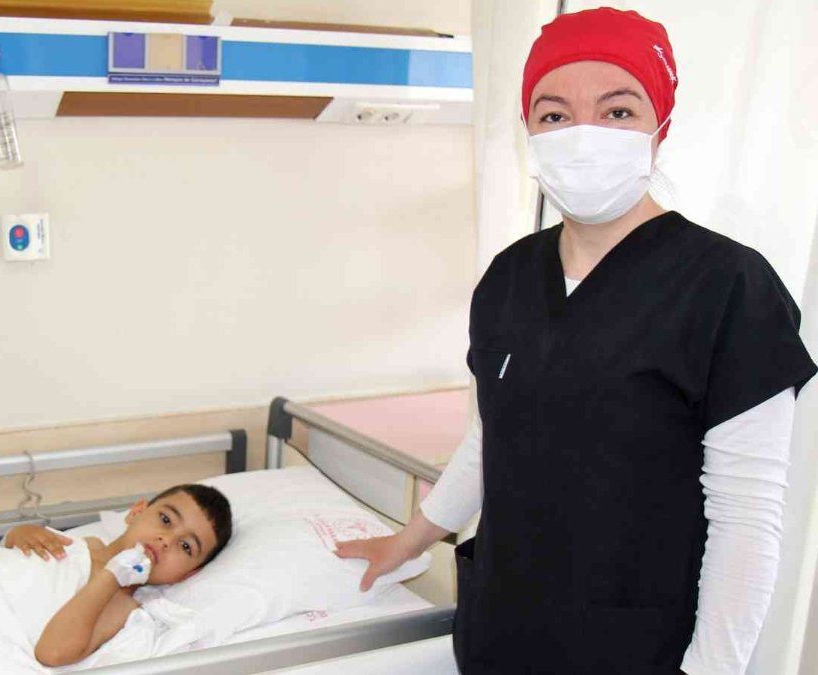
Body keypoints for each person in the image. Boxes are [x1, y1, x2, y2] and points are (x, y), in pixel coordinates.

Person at [335, 8, 817, 674]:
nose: (583, 136)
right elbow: (493, 436)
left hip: (637, 651)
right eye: (555, 114)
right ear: (530, 132)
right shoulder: (508, 277)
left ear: (661, 127)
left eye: (617, 111)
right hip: (500, 636)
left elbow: (748, 519)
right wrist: (410, 539)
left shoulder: (729, 287)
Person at [3, 483, 232, 667]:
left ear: (187, 575)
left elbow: (52, 653)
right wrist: (21, 533)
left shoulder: (122, 607)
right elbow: (6, 560)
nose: (166, 540)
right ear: (136, 512)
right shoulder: (79, 544)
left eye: (186, 546)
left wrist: (113, 575)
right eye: (165, 520)